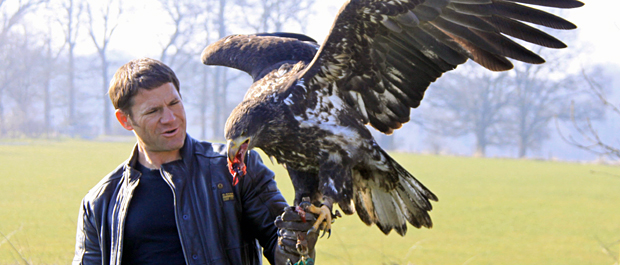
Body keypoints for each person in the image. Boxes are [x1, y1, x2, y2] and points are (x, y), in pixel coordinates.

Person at [72, 58, 315, 265]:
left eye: (174, 103)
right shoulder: (100, 203)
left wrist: (297, 245)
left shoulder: (237, 168)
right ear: (125, 120)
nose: (170, 118)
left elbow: (282, 248)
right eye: (153, 111)